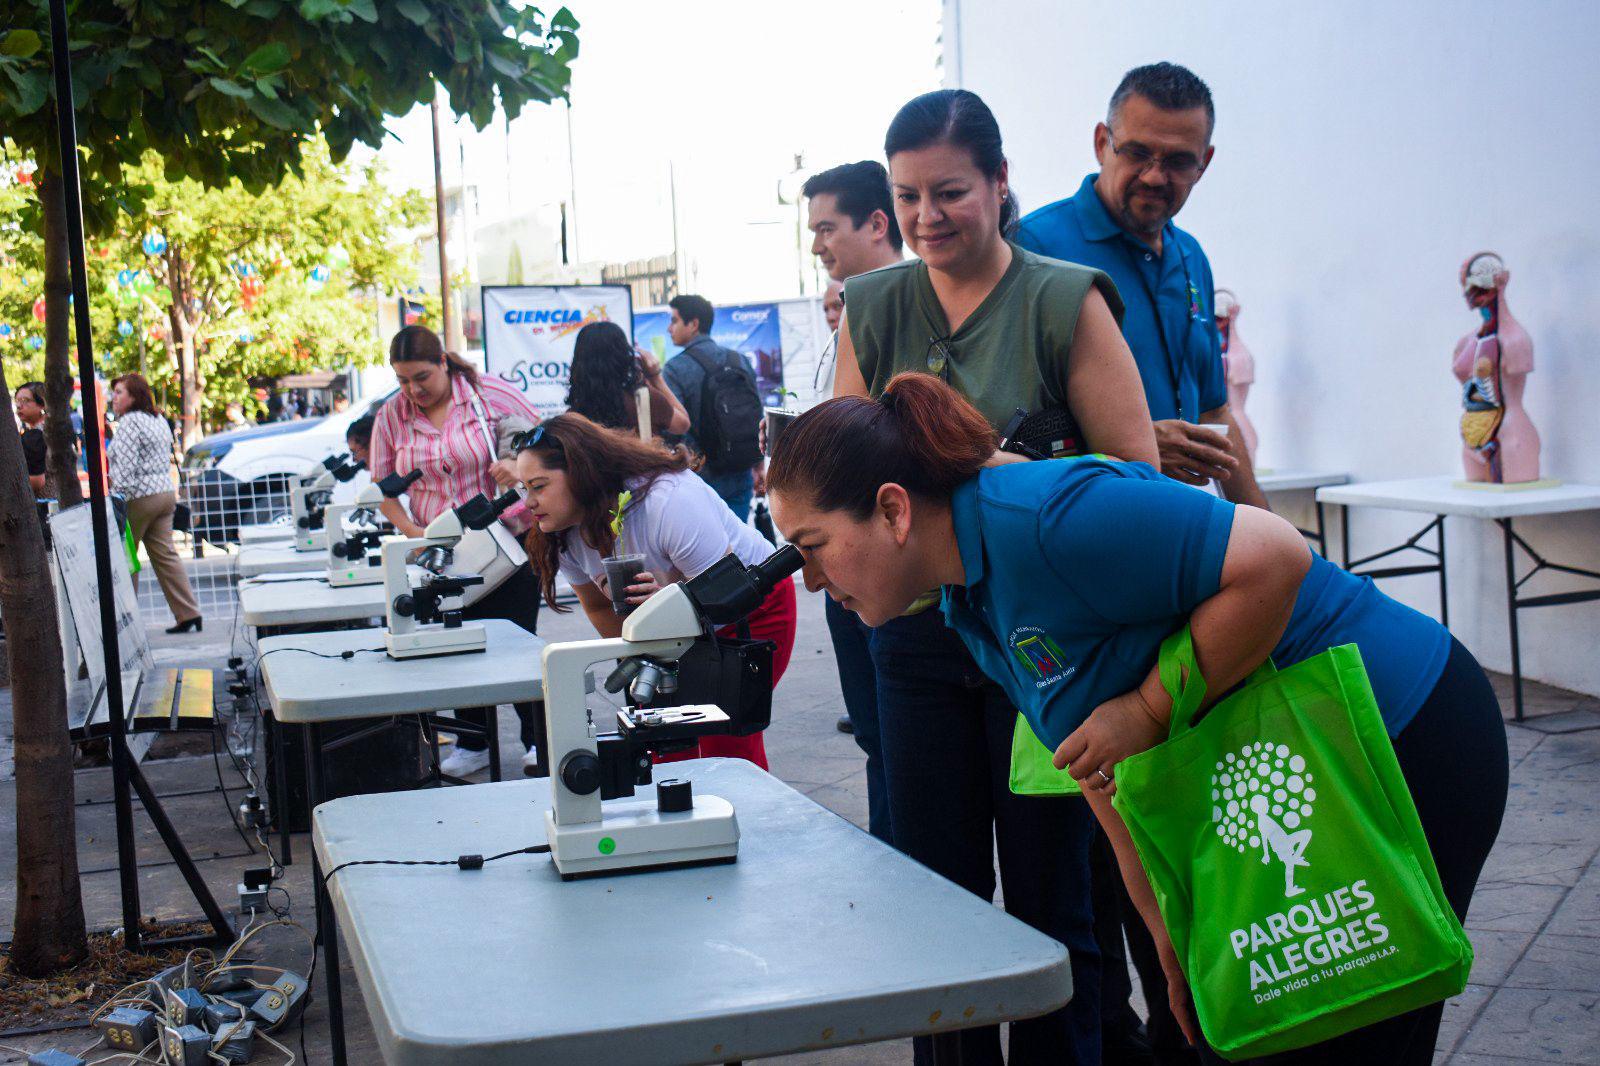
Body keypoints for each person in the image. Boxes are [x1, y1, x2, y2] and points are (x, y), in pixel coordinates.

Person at [767, 371, 1509, 1066]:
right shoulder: (967, 598)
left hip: (1400, 726)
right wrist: (1166, 932)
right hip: (1301, 758)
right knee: (1255, 1029)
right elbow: (1096, 763)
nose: (809, 580)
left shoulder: (1047, 517)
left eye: (814, 547)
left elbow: (1275, 556)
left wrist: (1147, 709)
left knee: (1341, 1028)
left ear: (894, 509)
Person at [833, 88, 1160, 1066]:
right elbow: (846, 467)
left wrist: (1002, 474)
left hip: (1046, 643)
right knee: (936, 895)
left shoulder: (1064, 298)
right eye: (907, 199)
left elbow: (1136, 488)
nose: (927, 218)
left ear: (1001, 182)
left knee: (1055, 897)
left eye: (950, 192)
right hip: (918, 635)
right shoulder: (875, 303)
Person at [1015, 62, 1266, 511]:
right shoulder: (1033, 248)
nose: (1154, 176)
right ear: (1100, 143)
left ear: (1204, 163)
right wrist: (1135, 444)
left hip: (1185, 530)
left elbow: (1213, 411)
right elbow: (1007, 427)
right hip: (1086, 530)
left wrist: (1276, 540)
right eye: (1137, 153)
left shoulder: (1192, 256)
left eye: (1177, 161)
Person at [513, 413, 795, 769]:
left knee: (722, 734)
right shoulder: (562, 534)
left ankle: (742, 817)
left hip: (753, 605)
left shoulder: (667, 500)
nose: (528, 503)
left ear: (581, 473)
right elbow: (601, 610)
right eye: (524, 489)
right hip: (681, 627)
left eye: (538, 486)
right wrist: (648, 644)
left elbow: (724, 598)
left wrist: (668, 607)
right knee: (664, 739)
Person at [368, 325, 544, 778]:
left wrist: (514, 466)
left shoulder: (489, 395)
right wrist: (415, 534)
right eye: (403, 380)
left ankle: (537, 740)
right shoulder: (392, 416)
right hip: (439, 555)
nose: (413, 389)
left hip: (505, 547)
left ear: (444, 362)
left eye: (422, 377)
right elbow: (382, 489)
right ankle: (473, 740)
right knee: (455, 643)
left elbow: (543, 441)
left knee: (516, 641)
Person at [803, 159, 905, 837]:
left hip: (901, 576)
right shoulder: (852, 319)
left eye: (824, 228)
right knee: (878, 747)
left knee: (905, 757)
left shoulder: (915, 311)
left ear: (875, 223)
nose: (816, 246)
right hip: (847, 568)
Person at [107, 374, 202, 634]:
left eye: (119, 392)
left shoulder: (129, 423)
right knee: (165, 555)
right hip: (164, 494)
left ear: (134, 396)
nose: (114, 398)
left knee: (126, 556)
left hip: (138, 497)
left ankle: (126, 621)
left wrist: (116, 498)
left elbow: (126, 468)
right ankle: (189, 612)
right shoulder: (158, 419)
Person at [660, 294, 764, 520]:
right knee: (739, 545)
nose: (669, 328)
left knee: (712, 553)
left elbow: (673, 428)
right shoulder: (739, 360)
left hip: (702, 478)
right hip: (741, 470)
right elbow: (755, 414)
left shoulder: (674, 369)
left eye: (674, 320)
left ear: (694, 324)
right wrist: (758, 464)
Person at [566, 320, 691, 437]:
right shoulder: (645, 400)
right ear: (624, 357)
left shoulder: (573, 416)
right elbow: (683, 425)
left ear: (578, 362)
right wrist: (655, 377)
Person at [15, 381, 51, 498]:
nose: (19, 405)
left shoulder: (36, 436)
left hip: (43, 508)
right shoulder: (52, 430)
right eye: (17, 400)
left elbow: (37, 481)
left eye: (25, 400)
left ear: (42, 404)